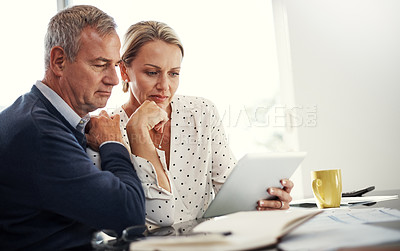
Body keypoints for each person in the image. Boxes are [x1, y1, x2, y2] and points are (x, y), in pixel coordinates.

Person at [88, 20, 294, 229]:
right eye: (151, 72)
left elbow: (230, 192)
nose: (164, 86)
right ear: (124, 71)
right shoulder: (105, 129)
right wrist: (137, 127)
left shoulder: (201, 112)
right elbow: (112, 218)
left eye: (173, 73)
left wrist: (265, 200)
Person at [0, 5, 145, 250]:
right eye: (100, 65)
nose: (114, 79)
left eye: (115, 64)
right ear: (59, 61)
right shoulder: (40, 133)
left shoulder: (39, 113)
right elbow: (128, 216)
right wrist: (113, 143)